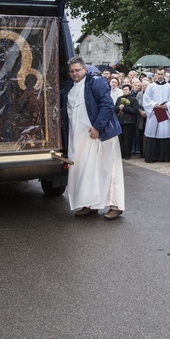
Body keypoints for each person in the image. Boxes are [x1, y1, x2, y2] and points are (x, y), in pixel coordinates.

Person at [61, 56, 124, 219]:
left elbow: (107, 105)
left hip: (101, 134)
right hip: (80, 139)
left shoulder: (96, 82)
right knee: (86, 171)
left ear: (85, 70)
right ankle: (89, 204)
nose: (74, 73)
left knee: (109, 170)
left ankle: (115, 205)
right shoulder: (69, 88)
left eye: (77, 70)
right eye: (71, 71)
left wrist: (97, 126)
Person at [142, 67, 170, 162]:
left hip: (165, 113)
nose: (160, 76)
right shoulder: (151, 86)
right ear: (156, 74)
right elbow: (146, 99)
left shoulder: (169, 86)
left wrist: (167, 105)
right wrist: (154, 104)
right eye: (158, 74)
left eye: (162, 74)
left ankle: (166, 157)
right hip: (154, 113)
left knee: (165, 132)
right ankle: (153, 157)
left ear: (164, 75)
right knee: (153, 134)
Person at [115, 83, 139, 160]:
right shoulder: (119, 99)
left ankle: (127, 154)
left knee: (128, 139)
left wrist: (124, 108)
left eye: (126, 90)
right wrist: (119, 107)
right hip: (120, 121)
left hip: (129, 122)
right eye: (124, 90)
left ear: (130, 90)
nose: (125, 91)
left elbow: (135, 110)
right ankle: (121, 153)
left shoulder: (133, 99)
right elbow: (114, 109)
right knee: (121, 139)